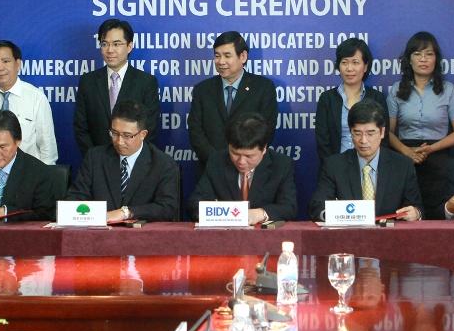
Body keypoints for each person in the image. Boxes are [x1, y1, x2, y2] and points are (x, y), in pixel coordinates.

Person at [387, 31, 454, 219]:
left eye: (429, 54)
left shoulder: (448, 90)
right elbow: (386, 132)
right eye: (418, 54)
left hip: (439, 157)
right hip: (404, 158)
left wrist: (431, 148)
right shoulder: (396, 89)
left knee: (438, 214)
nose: (423, 59)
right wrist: (407, 152)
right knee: (407, 213)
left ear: (436, 59)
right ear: (409, 59)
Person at [309, 100, 422, 221]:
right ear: (351, 132)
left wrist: (416, 213)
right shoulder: (334, 165)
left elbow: (417, 207)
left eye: (370, 133)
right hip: (349, 231)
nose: (363, 140)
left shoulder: (402, 166)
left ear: (382, 132)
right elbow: (317, 207)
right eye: (357, 133)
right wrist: (334, 215)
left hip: (389, 232)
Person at [68, 100, 179, 222]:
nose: (119, 142)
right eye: (114, 133)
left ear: (143, 134)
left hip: (143, 233)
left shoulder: (163, 164)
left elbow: (168, 208)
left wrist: (127, 212)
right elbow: (74, 199)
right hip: (101, 231)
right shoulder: (95, 158)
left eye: (127, 136)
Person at [187, 31, 277, 168]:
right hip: (211, 168)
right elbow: (195, 131)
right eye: (217, 56)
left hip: (249, 168)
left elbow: (267, 130)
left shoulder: (263, 88)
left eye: (227, 56)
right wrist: (215, 161)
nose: (221, 62)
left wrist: (242, 159)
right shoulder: (202, 90)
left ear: (243, 56)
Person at [0, 40, 57, 164]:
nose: (0, 68)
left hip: (27, 172)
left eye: (5, 61)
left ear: (18, 64)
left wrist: (44, 174)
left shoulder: (36, 98)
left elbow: (47, 148)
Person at [189, 113, 296, 224]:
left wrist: (260, 213)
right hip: (224, 232)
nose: (241, 161)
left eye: (249, 156)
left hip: (262, 233)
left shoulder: (281, 165)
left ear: (264, 149)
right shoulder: (216, 161)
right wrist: (222, 213)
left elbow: (289, 208)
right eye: (235, 153)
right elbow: (195, 204)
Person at [74, 19, 160, 156]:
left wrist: (130, 159)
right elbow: (81, 128)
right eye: (104, 44)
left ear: (129, 46)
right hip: (96, 161)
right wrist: (95, 159)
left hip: (133, 161)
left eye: (116, 44)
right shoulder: (88, 81)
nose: (110, 50)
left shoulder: (146, 82)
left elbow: (149, 128)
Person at [314, 37, 388, 163]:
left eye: (355, 62)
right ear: (338, 66)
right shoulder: (327, 99)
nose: (349, 68)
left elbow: (383, 139)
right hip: (335, 167)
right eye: (344, 62)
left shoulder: (377, 98)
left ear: (365, 67)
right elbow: (322, 141)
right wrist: (334, 168)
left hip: (370, 167)